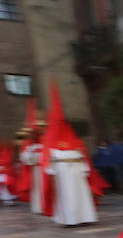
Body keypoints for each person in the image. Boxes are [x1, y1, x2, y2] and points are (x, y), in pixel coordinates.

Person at [42, 86, 98, 227]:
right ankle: (69, 219)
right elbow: (49, 160)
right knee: (67, 195)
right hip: (63, 173)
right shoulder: (51, 144)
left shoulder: (76, 142)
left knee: (81, 194)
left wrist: (84, 169)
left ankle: (85, 217)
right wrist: (51, 171)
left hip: (76, 171)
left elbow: (82, 157)